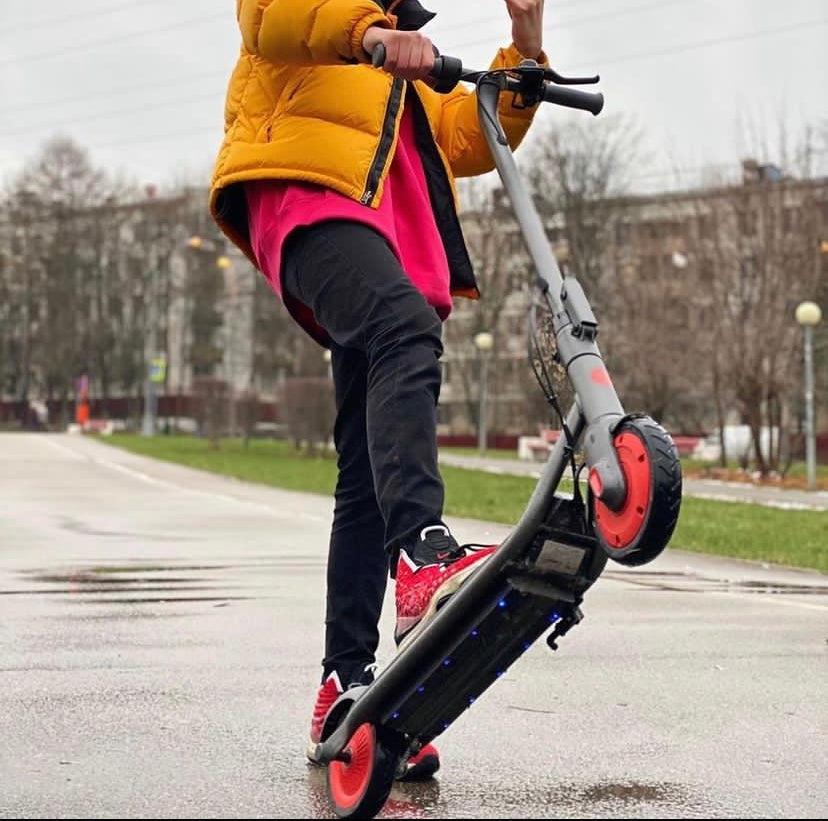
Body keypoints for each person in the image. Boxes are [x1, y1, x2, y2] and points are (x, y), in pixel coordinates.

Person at [210, 0, 547, 781]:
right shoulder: (348, 21)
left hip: (379, 231)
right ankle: (422, 554)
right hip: (302, 195)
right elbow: (268, 18)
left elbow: (464, 137)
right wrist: (370, 35)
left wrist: (524, 53)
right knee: (401, 325)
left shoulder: (403, 44)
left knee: (365, 470)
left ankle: (344, 682)